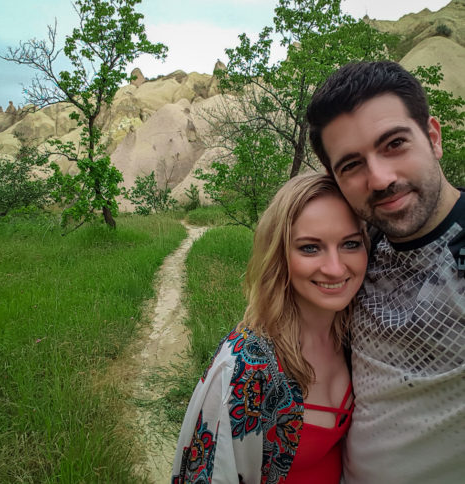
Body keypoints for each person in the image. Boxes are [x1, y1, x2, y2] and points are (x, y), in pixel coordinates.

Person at [306, 60, 465, 484]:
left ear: (433, 137)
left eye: (394, 144)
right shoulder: (352, 251)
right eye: (351, 165)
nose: (379, 179)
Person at [171, 172, 368, 483]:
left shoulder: (358, 334)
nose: (335, 267)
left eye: (350, 244)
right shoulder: (246, 366)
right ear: (279, 255)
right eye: (310, 248)